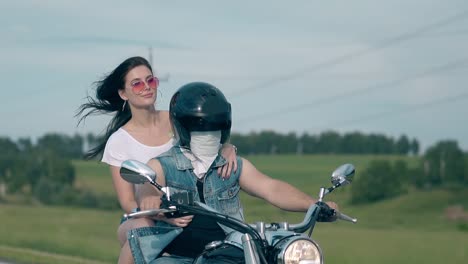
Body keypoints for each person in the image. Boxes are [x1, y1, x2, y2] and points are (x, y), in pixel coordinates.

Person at [133, 82, 339, 263]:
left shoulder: (232, 165)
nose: (209, 136)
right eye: (201, 130)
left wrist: (312, 205)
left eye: (215, 129)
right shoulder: (162, 165)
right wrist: (150, 200)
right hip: (177, 257)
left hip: (231, 252)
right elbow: (146, 188)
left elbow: (271, 188)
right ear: (183, 126)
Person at [75, 57, 238, 264]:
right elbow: (128, 202)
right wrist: (161, 215)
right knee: (144, 228)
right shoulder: (119, 141)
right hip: (143, 217)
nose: (146, 87)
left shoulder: (177, 118)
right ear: (123, 93)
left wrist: (227, 147)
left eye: (150, 81)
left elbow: (207, 140)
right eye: (137, 83)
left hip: (189, 211)